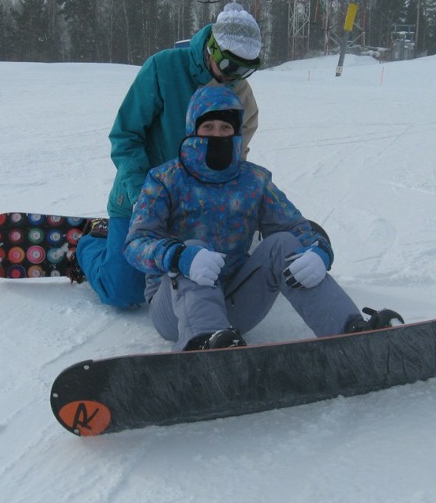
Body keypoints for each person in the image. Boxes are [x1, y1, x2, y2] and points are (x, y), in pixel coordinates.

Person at [124, 85, 402, 351]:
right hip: (175, 308)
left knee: (283, 243)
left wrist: (320, 251)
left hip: (236, 303)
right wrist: (179, 256)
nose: (216, 135)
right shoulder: (164, 179)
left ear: (237, 133)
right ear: (192, 129)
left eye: (225, 128)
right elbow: (135, 243)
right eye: (207, 127)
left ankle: (350, 331)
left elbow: (294, 227)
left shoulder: (254, 180)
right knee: (194, 246)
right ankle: (203, 344)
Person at [72, 3, 263, 308]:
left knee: (218, 280)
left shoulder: (241, 95)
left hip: (195, 208)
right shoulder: (163, 68)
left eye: (245, 69)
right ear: (211, 48)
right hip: (143, 197)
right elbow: (125, 137)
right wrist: (142, 196)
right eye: (229, 66)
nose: (235, 77)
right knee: (123, 292)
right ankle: (92, 243)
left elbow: (230, 166)